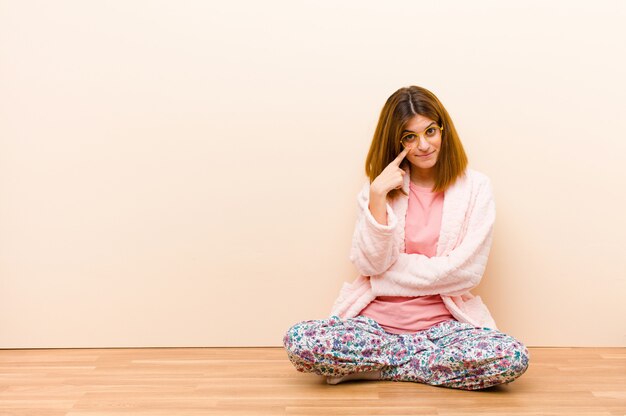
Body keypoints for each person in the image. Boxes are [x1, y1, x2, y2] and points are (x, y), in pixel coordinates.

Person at [282, 85, 529, 390]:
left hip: (445, 330)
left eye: (430, 131)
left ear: (444, 130)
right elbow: (371, 265)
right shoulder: (379, 188)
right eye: (409, 137)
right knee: (299, 341)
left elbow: (465, 273)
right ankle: (424, 366)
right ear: (396, 142)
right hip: (375, 328)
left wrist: (388, 276)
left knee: (512, 356)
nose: (423, 145)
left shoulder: (476, 188)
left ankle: (382, 368)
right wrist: (376, 197)